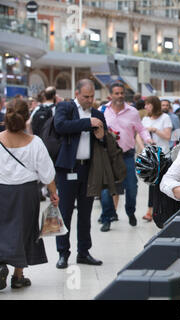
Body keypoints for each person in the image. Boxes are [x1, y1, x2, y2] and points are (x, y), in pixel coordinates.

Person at [0, 98, 59, 289]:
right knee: (23, 230)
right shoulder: (35, 143)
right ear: (27, 118)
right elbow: (47, 173)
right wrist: (53, 193)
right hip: (26, 193)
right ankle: (18, 276)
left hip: (1, 190)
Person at [53, 79, 106, 269]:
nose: (89, 100)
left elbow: (104, 141)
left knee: (85, 214)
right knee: (65, 212)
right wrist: (87, 123)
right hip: (68, 169)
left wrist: (101, 137)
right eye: (86, 96)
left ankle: (83, 252)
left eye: (92, 96)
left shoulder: (98, 114)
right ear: (77, 94)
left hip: (88, 170)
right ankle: (62, 253)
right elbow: (60, 126)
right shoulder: (66, 108)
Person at [99, 83, 153, 232]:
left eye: (122, 93)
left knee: (131, 187)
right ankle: (107, 218)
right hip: (109, 157)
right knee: (106, 189)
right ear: (111, 95)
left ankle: (130, 212)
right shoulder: (103, 111)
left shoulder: (132, 112)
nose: (120, 96)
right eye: (116, 93)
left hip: (127, 155)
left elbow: (141, 129)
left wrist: (148, 139)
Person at [141, 96, 173, 222]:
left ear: (153, 105)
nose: (146, 107)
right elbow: (139, 134)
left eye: (148, 104)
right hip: (149, 157)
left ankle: (159, 210)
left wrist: (154, 130)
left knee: (160, 184)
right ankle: (151, 210)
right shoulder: (145, 119)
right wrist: (142, 146)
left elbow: (167, 136)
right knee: (152, 184)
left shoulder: (165, 118)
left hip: (162, 155)